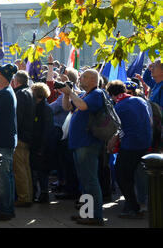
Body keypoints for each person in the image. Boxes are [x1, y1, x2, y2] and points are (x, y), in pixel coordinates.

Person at [59, 69, 105, 226]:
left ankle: (96, 216)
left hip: (87, 143)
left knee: (90, 180)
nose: (80, 79)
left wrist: (70, 92)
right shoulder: (86, 94)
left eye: (84, 77)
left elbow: (84, 107)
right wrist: (66, 94)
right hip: (79, 143)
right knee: (84, 180)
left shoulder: (97, 94)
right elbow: (67, 107)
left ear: (93, 80)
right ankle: (86, 213)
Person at [105, 80, 152, 219]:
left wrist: (110, 144)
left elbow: (117, 130)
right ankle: (133, 204)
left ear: (112, 95)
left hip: (130, 145)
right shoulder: (140, 100)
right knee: (132, 175)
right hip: (145, 144)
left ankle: (133, 207)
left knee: (122, 175)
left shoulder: (119, 106)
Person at [0, 63, 18, 221]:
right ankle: (8, 208)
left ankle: (5, 210)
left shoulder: (2, 94)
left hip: (2, 140)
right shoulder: (8, 92)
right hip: (7, 139)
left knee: (3, 178)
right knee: (7, 176)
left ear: (2, 76)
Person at [11, 70, 35, 207]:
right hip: (27, 135)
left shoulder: (19, 94)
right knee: (25, 167)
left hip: (20, 136)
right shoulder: (29, 92)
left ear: (16, 81)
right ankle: (28, 195)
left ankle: (24, 197)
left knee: (19, 168)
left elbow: (17, 117)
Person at [30, 82, 54, 204]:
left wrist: (42, 147)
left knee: (41, 171)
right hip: (36, 143)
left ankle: (43, 193)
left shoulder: (46, 109)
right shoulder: (37, 107)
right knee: (35, 170)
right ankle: (34, 192)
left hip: (42, 145)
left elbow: (47, 129)